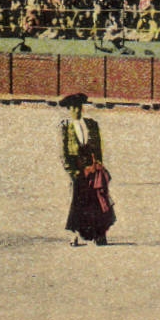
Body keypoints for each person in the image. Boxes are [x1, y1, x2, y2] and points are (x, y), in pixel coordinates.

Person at [59, 93, 114, 246]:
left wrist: (98, 165)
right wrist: (73, 172)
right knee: (77, 202)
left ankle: (99, 234)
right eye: (73, 108)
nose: (76, 110)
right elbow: (63, 152)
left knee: (97, 200)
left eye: (79, 107)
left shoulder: (91, 124)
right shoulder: (65, 126)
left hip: (91, 167)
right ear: (69, 109)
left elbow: (98, 148)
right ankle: (75, 235)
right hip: (77, 168)